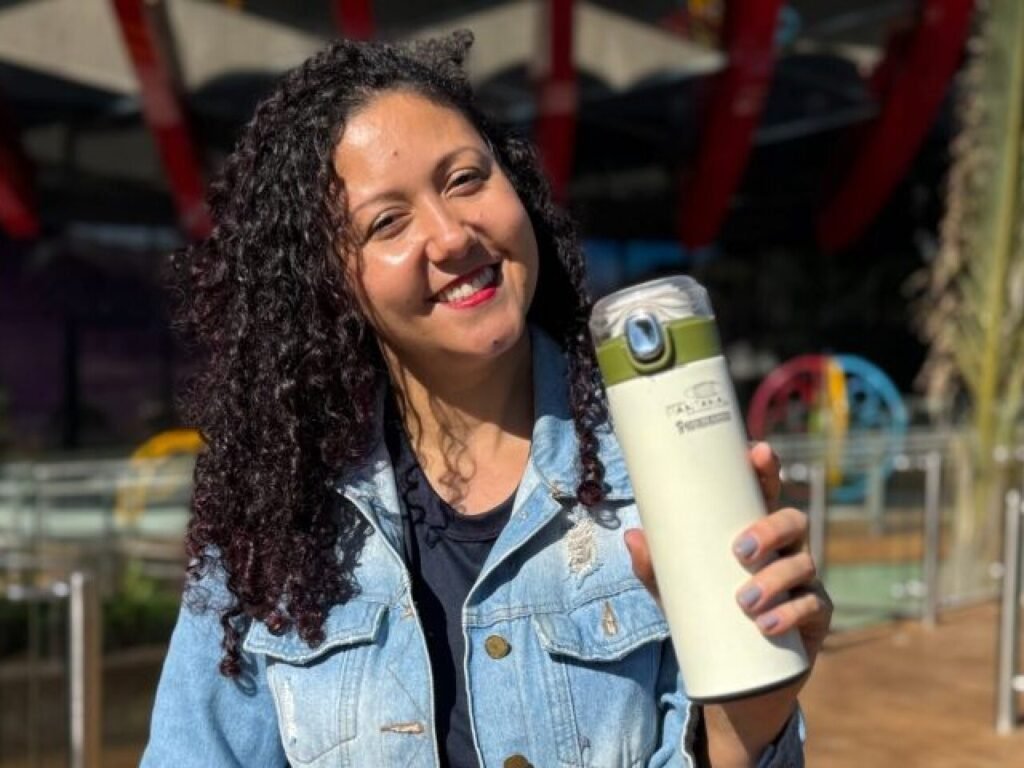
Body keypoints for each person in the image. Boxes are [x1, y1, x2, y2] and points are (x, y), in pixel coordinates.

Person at [141, 31, 832, 768]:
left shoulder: (659, 468)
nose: (451, 235)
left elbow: (729, 737)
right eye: (387, 222)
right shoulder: (276, 511)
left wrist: (741, 727)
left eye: (466, 179)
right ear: (329, 285)